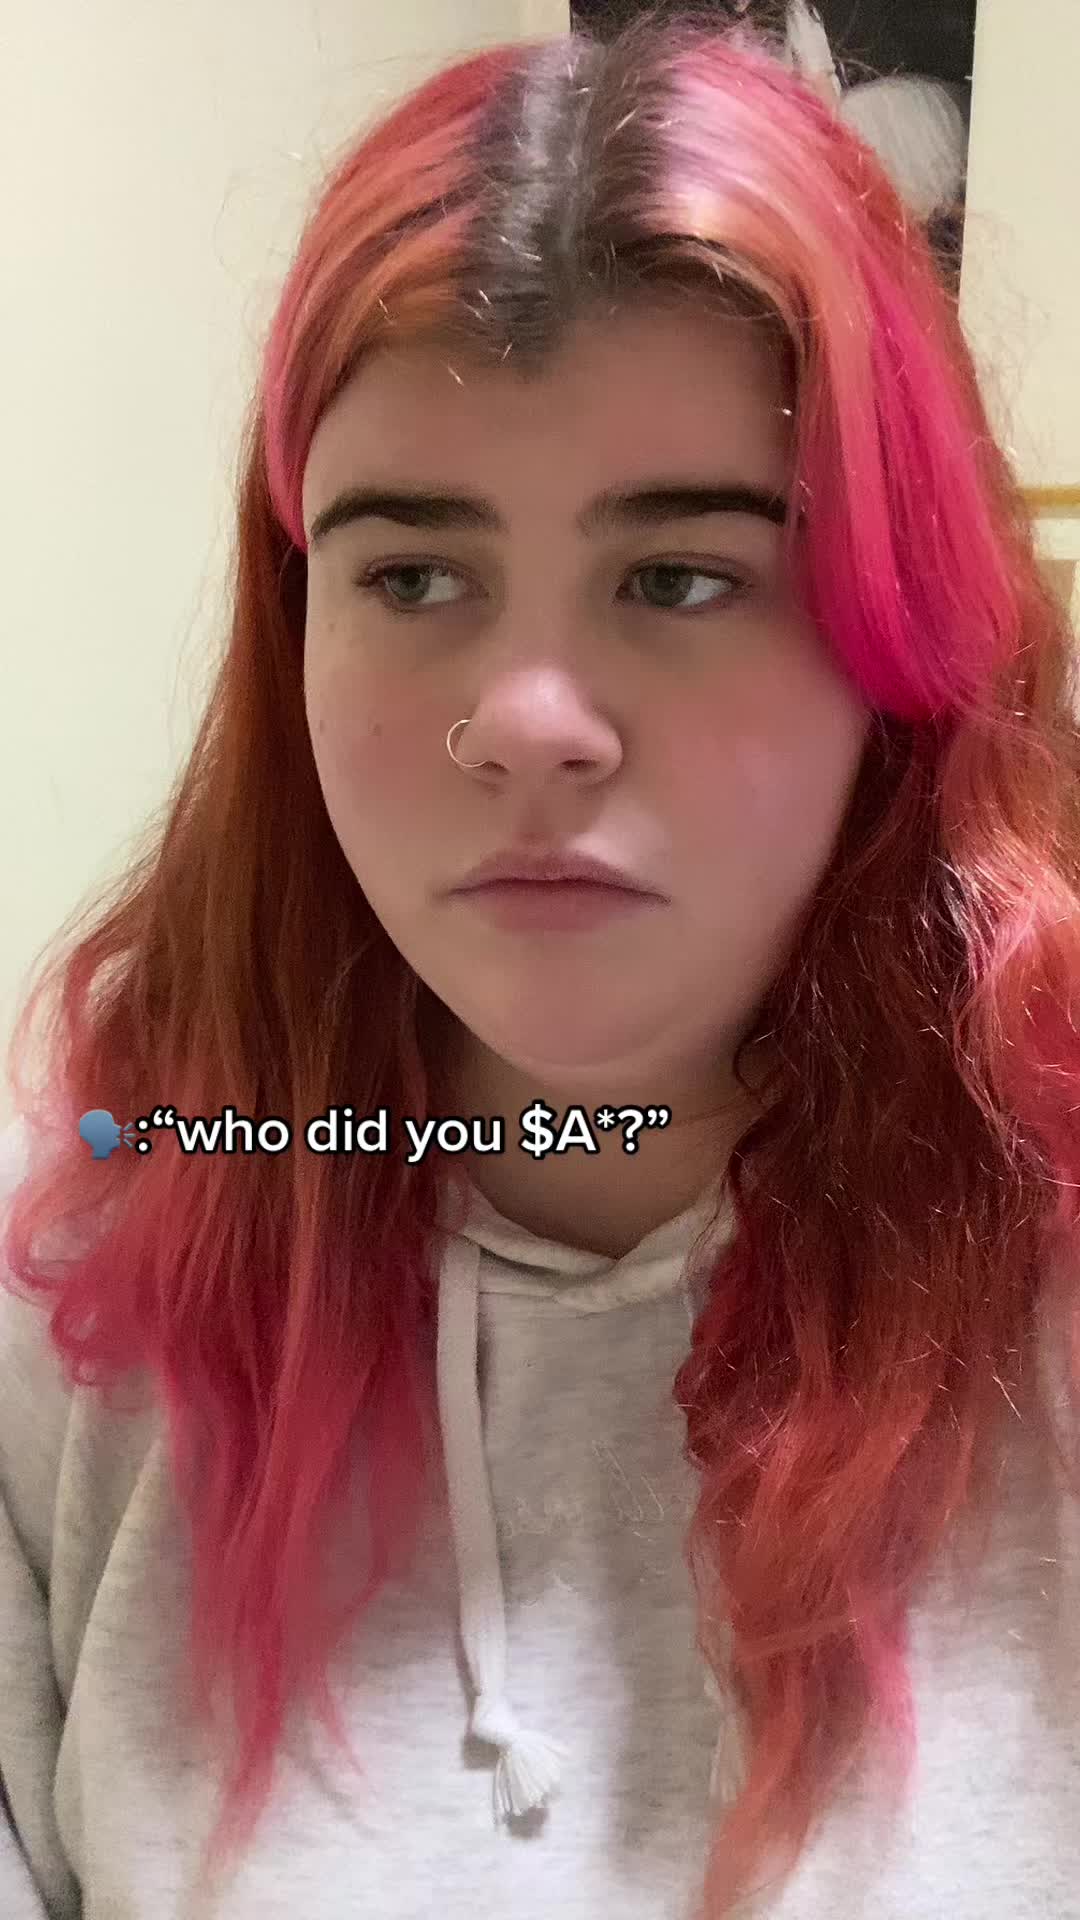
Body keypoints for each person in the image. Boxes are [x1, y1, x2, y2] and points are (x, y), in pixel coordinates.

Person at [3, 6, 1080, 1917]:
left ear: (895, 651)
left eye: (682, 576)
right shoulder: (84, 1272)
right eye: (413, 576)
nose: (524, 723)